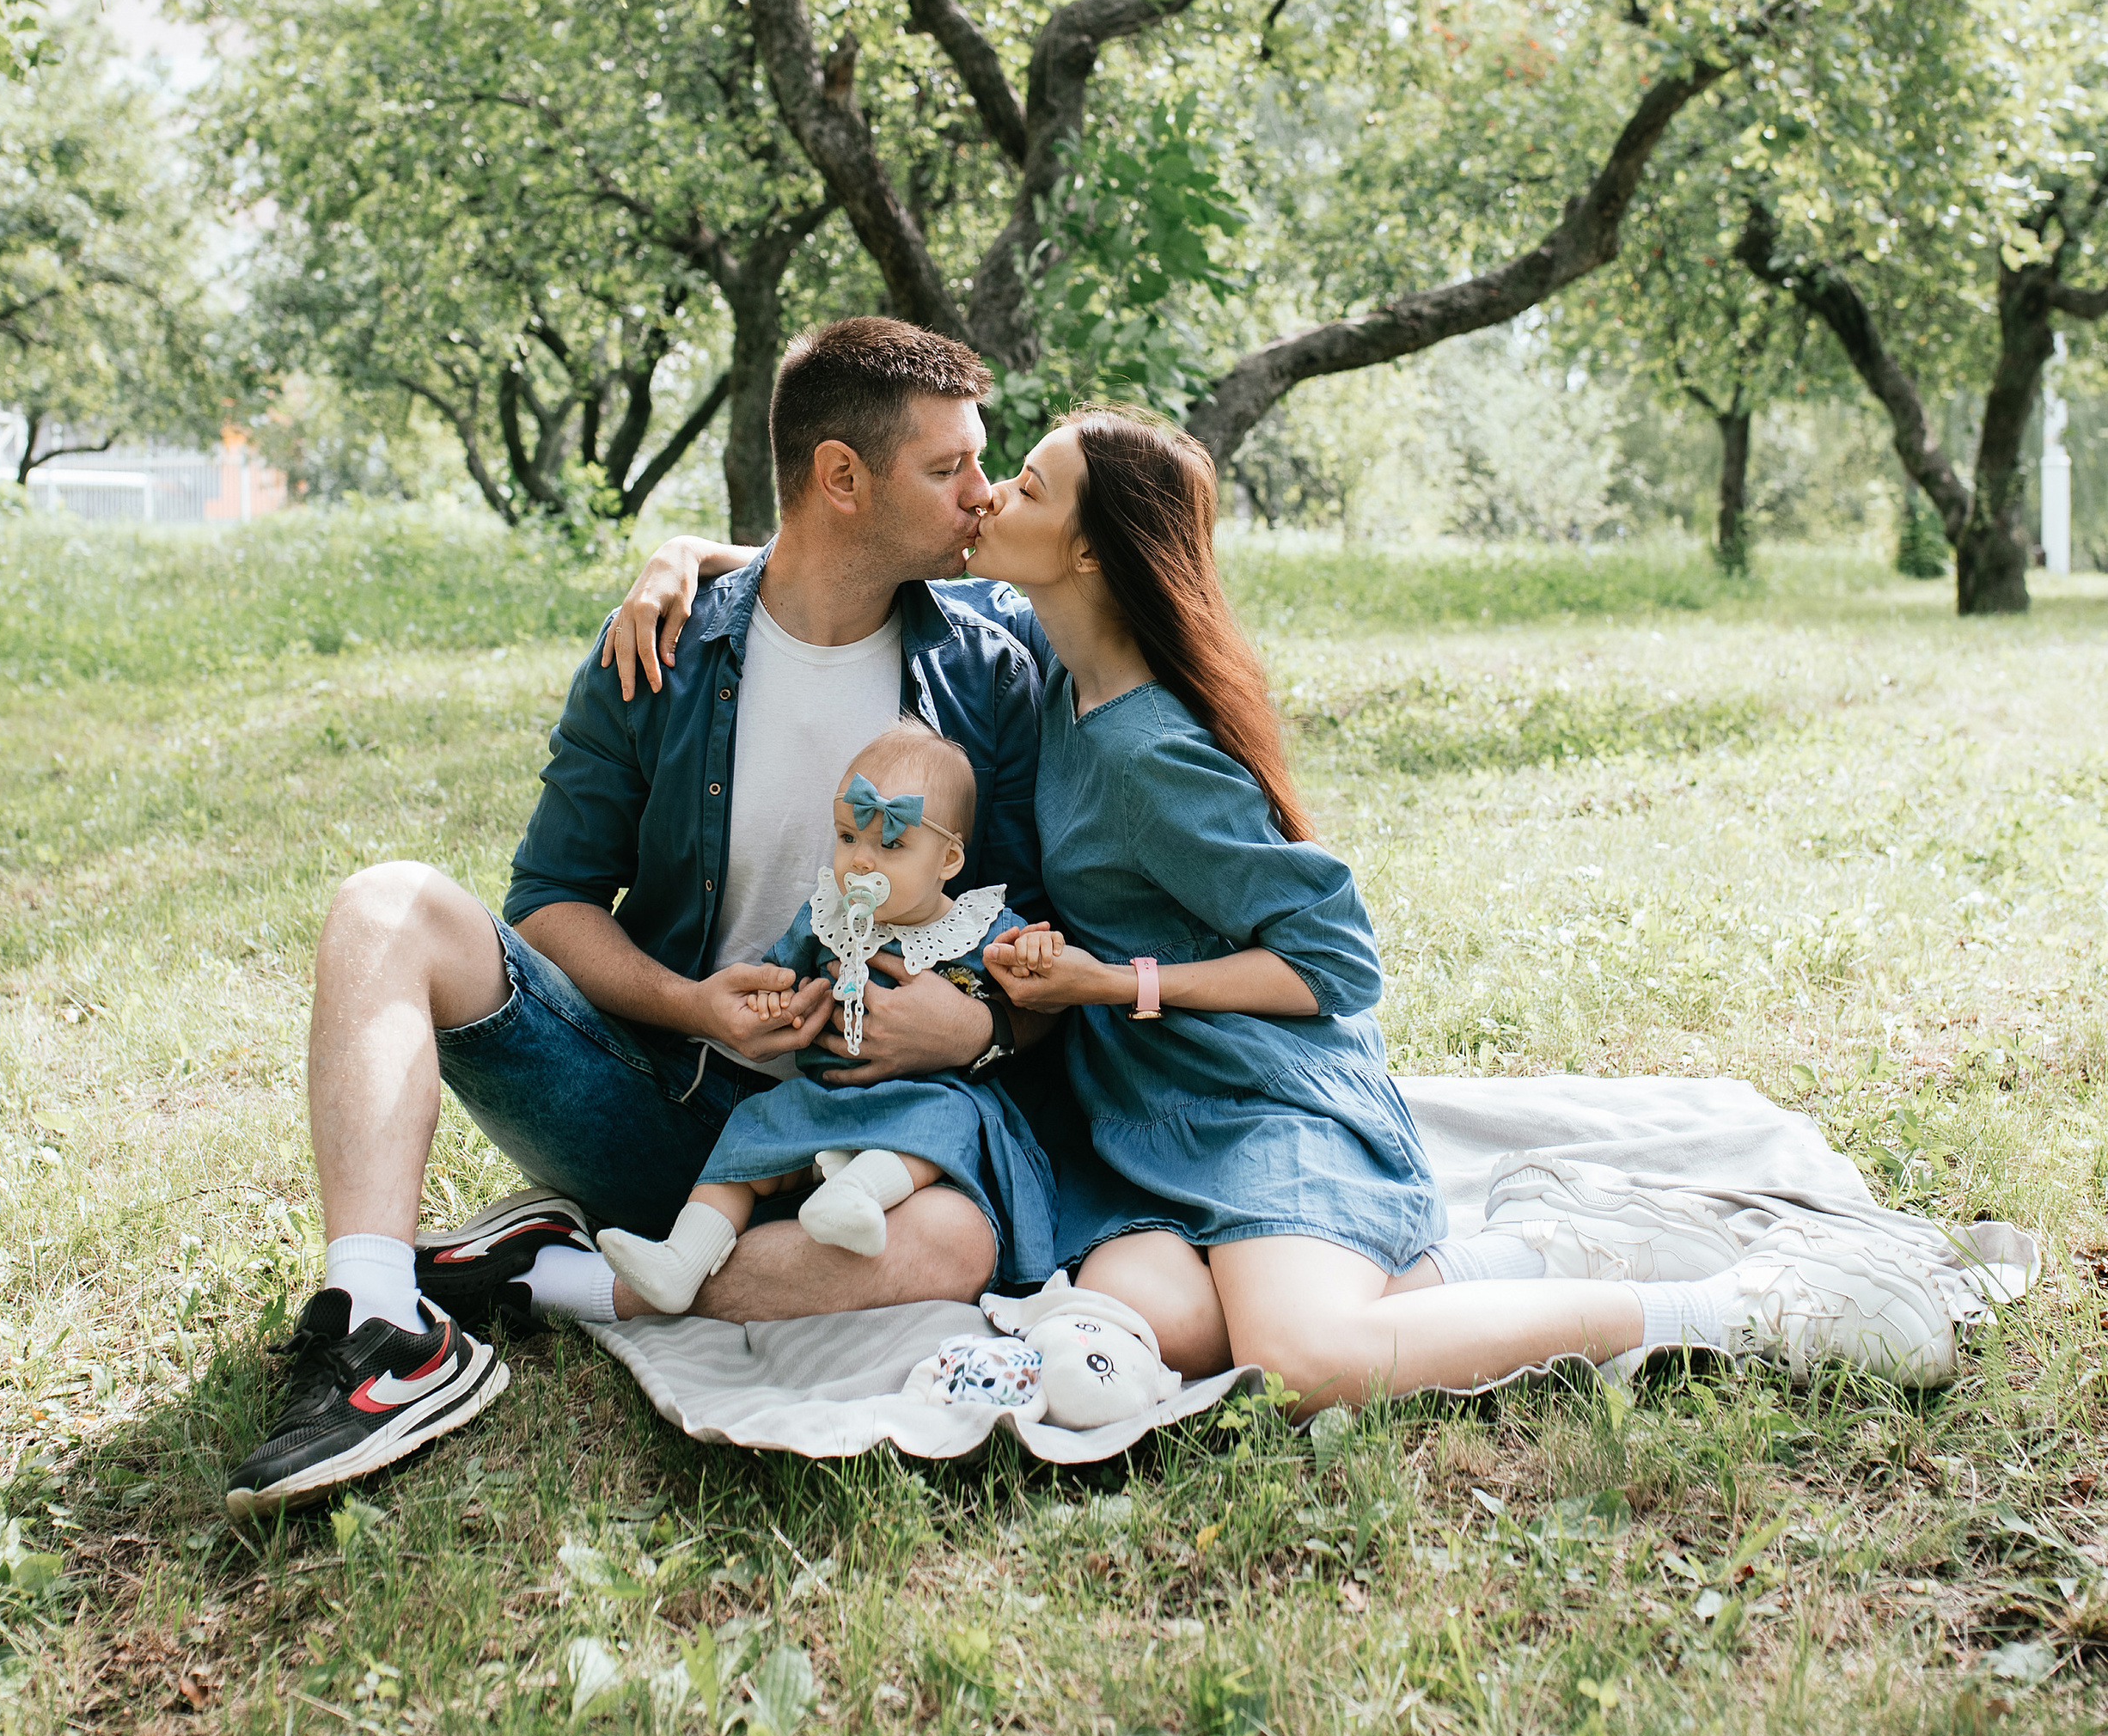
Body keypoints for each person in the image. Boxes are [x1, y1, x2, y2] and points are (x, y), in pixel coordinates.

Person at [620, 411, 1958, 1411]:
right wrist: (693, 556)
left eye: (1021, 484)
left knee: (1301, 1356)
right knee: (1143, 1311)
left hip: (1256, 1097)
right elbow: (851, 569)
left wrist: (1107, 986)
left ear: (1083, 546)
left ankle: (1734, 1308)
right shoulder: (1045, 654)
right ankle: (1485, 1263)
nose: (986, 496)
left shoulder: (1154, 751)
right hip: (1143, 1115)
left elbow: (1336, 964)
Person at [223, 319, 1044, 1521]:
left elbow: (1031, 931)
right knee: (386, 905)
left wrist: (968, 1039)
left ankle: (539, 1276)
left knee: (949, 1253)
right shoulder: (657, 647)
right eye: (950, 469)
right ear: (841, 478)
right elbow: (548, 906)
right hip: (651, 1102)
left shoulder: (991, 667)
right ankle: (378, 1320)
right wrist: (689, 1004)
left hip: (855, 1145)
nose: (984, 495)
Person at [598, 724, 1055, 1309]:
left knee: (952, 1117)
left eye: (891, 845)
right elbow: (778, 974)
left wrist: (1037, 954)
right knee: (751, 1130)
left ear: (948, 858)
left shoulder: (977, 926)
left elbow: (1035, 992)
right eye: (847, 836)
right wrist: (774, 1002)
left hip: (923, 1094)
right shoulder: (826, 916)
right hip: (824, 1096)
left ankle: (858, 1194)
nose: (861, 862)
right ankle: (681, 1262)